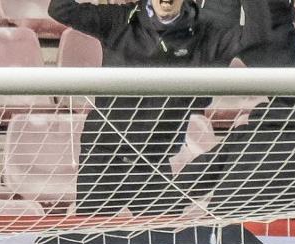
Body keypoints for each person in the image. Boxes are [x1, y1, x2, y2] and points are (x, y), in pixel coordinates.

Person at [47, 0, 272, 216]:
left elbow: (257, 38)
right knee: (90, 243)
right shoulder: (120, 19)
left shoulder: (204, 32)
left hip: (152, 163)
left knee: (163, 241)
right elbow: (60, 8)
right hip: (103, 159)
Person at [173, 97, 295, 219]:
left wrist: (165, 211)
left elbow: (192, 178)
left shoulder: (246, 132)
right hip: (283, 241)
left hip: (223, 232)